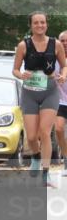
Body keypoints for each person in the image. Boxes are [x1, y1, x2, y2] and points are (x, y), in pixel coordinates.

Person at [12, 13, 67, 187]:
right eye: (36, 22)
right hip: (29, 92)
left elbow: (64, 65)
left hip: (50, 91)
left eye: (42, 22)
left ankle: (45, 173)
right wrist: (21, 74)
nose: (40, 25)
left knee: (45, 132)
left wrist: (63, 76)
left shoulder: (56, 44)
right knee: (31, 136)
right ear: (31, 25)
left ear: (47, 25)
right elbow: (15, 69)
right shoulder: (23, 45)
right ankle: (35, 157)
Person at [56, 31, 67, 169]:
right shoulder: (54, 58)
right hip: (59, 101)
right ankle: (65, 156)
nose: (65, 43)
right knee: (58, 129)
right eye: (62, 40)